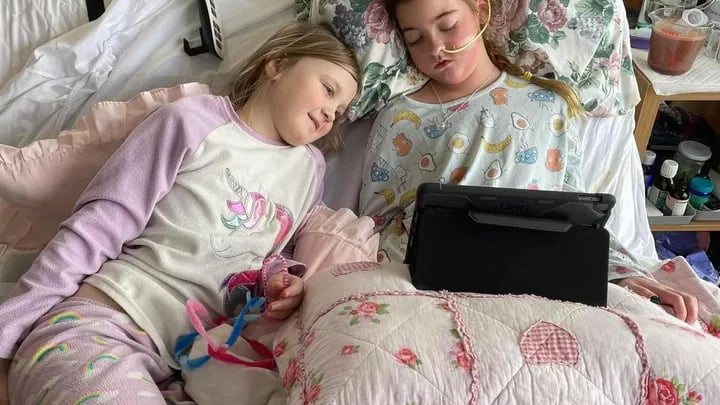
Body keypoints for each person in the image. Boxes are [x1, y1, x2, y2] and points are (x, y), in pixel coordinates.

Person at [0, 22, 359, 404]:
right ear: (277, 64)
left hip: (187, 367)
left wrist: (281, 281)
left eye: (339, 111)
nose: (329, 115)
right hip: (99, 327)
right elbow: (96, 227)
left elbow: (268, 255)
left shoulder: (308, 171)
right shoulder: (193, 122)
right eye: (327, 89)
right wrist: (7, 338)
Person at [358, 0, 699, 324]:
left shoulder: (549, 105)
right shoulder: (399, 118)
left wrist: (623, 275)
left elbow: (576, 216)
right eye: (415, 39)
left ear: (479, 11)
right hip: (426, 285)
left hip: (539, 278)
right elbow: (371, 227)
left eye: (447, 26)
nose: (436, 48)